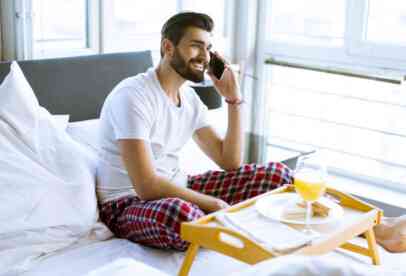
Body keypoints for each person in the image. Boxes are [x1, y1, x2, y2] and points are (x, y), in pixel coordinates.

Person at [96, 11, 293, 251]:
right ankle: (222, 223)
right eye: (196, 46)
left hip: (180, 187)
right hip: (127, 204)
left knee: (277, 175)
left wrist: (233, 99)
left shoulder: (189, 99)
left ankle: (217, 224)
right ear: (168, 47)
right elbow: (147, 186)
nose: (205, 56)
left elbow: (229, 161)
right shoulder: (132, 96)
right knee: (182, 216)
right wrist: (214, 204)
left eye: (209, 48)